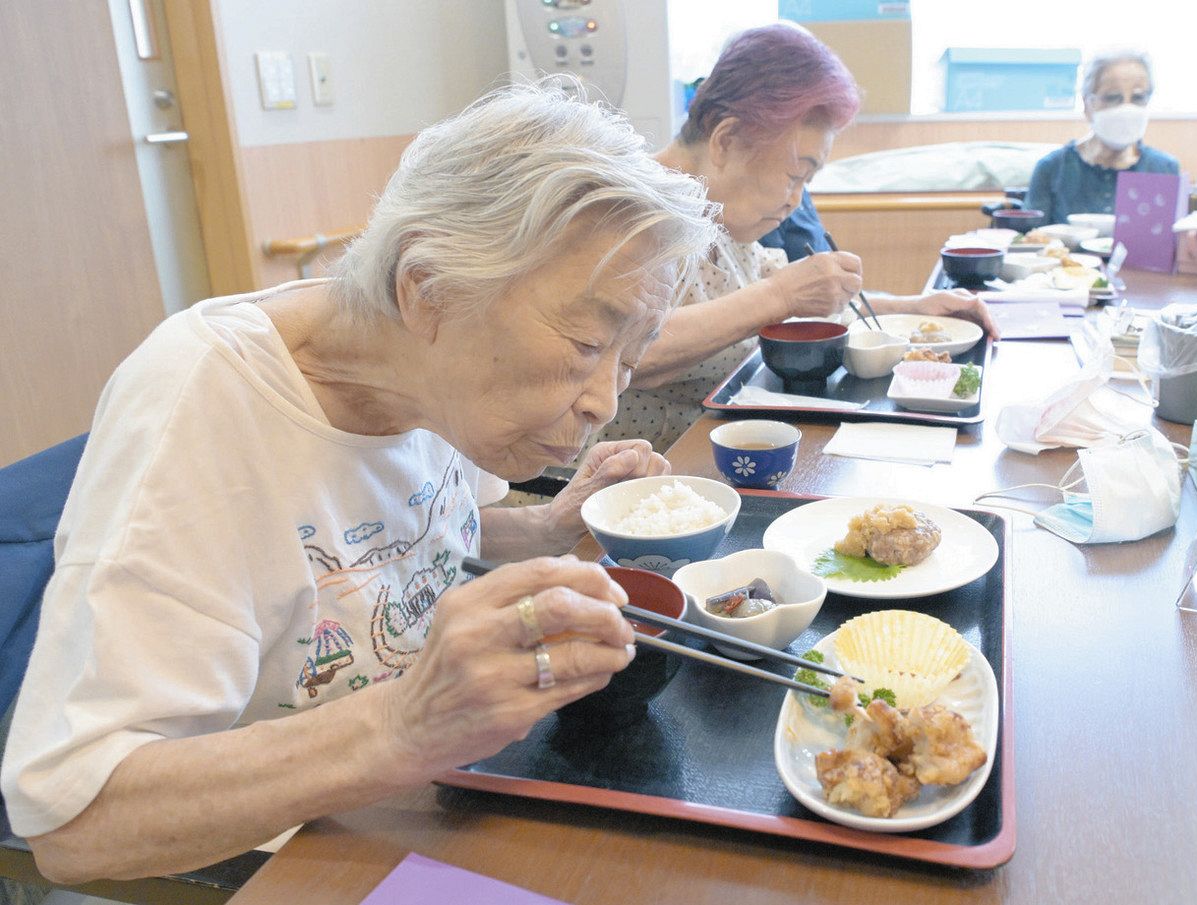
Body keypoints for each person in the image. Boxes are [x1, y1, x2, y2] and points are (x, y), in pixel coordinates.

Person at [0, 81, 720, 883]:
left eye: (632, 353)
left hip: (429, 792)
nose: (607, 399)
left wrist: (549, 525)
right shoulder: (205, 403)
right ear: (427, 288)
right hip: (293, 850)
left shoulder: (435, 380)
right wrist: (404, 724)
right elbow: (73, 822)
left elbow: (405, 540)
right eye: (588, 343)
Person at [588, 23, 997, 454]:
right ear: (726, 139)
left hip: (708, 459)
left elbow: (797, 297)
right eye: (794, 175)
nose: (795, 200)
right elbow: (619, 350)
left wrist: (913, 309)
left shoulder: (720, 220)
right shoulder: (625, 208)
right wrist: (779, 296)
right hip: (613, 487)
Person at [1025, 48, 1180, 226]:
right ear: (1088, 104)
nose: (1126, 109)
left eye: (1138, 97)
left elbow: (1170, 244)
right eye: (1113, 97)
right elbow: (1030, 242)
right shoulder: (1052, 168)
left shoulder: (1164, 169)